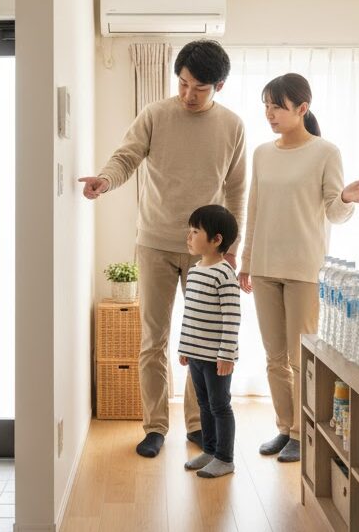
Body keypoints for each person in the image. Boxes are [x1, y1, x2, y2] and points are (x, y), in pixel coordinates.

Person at [79, 40, 247, 458]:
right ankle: (155, 425)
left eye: (199, 88)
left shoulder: (233, 126)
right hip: (154, 243)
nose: (188, 94)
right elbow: (126, 158)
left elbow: (237, 187)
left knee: (203, 342)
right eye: (183, 83)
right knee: (154, 339)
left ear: (219, 86)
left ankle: (197, 423)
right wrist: (105, 180)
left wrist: (231, 246)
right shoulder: (155, 114)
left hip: (207, 252)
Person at [239, 73, 359, 463]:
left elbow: (334, 212)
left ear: (302, 109)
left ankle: (304, 432)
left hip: (304, 268)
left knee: (299, 357)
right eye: (266, 105)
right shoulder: (262, 154)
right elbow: (254, 210)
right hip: (265, 266)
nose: (269, 114)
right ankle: (284, 428)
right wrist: (247, 262)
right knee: (273, 356)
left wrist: (347, 198)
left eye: (277, 107)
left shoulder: (325, 152)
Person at [177, 205, 241, 478]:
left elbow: (232, 318)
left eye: (195, 232)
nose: (189, 237)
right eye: (189, 231)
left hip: (217, 358)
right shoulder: (194, 271)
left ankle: (225, 458)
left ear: (216, 240)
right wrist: (184, 349)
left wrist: (226, 355)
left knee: (219, 406)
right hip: (196, 355)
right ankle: (210, 450)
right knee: (203, 404)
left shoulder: (225, 274)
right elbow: (189, 314)